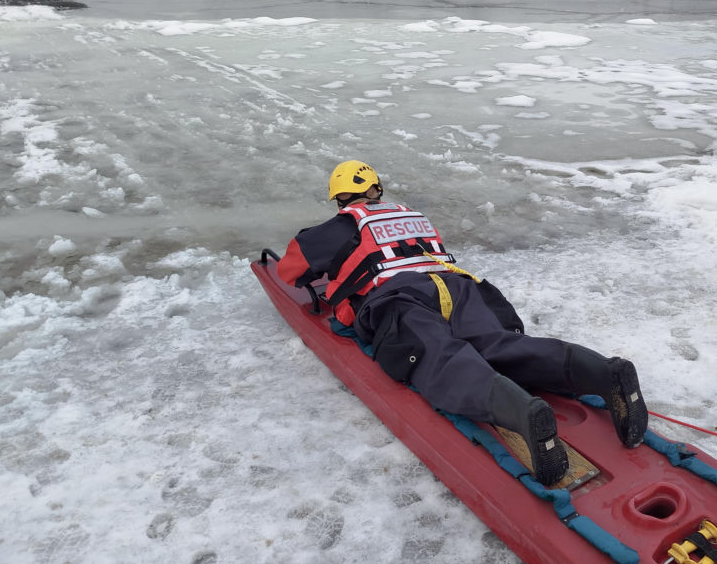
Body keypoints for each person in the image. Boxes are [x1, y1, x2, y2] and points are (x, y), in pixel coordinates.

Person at [277, 160, 648, 485]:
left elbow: (290, 270)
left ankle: (520, 412)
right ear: (377, 189)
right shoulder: (411, 215)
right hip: (458, 287)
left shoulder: (340, 226)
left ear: (340, 198)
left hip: (402, 299)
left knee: (442, 358)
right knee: (500, 345)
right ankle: (603, 372)